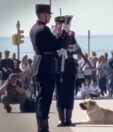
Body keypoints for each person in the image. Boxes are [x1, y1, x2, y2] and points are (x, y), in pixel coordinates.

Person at [30, 4, 68, 132]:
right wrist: (63, 33)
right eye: (48, 15)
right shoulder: (43, 29)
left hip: (39, 62)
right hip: (46, 64)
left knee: (41, 96)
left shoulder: (34, 28)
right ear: (42, 15)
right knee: (45, 96)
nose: (50, 18)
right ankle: (43, 128)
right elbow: (57, 45)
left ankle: (41, 126)